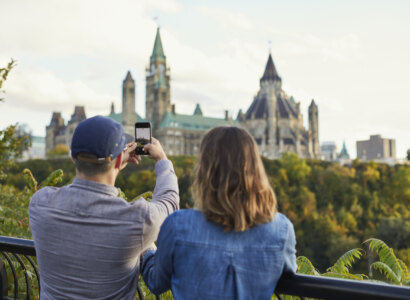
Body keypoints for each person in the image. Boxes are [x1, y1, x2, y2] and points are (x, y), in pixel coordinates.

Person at [29, 116, 179, 299]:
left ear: (72, 157)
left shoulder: (40, 204)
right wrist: (162, 159)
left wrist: (114, 163)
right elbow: (169, 203)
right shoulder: (138, 219)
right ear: (117, 162)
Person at [140, 126, 296, 299]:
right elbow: (288, 274)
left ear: (204, 171)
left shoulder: (178, 225)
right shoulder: (281, 230)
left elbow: (156, 282)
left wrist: (146, 247)